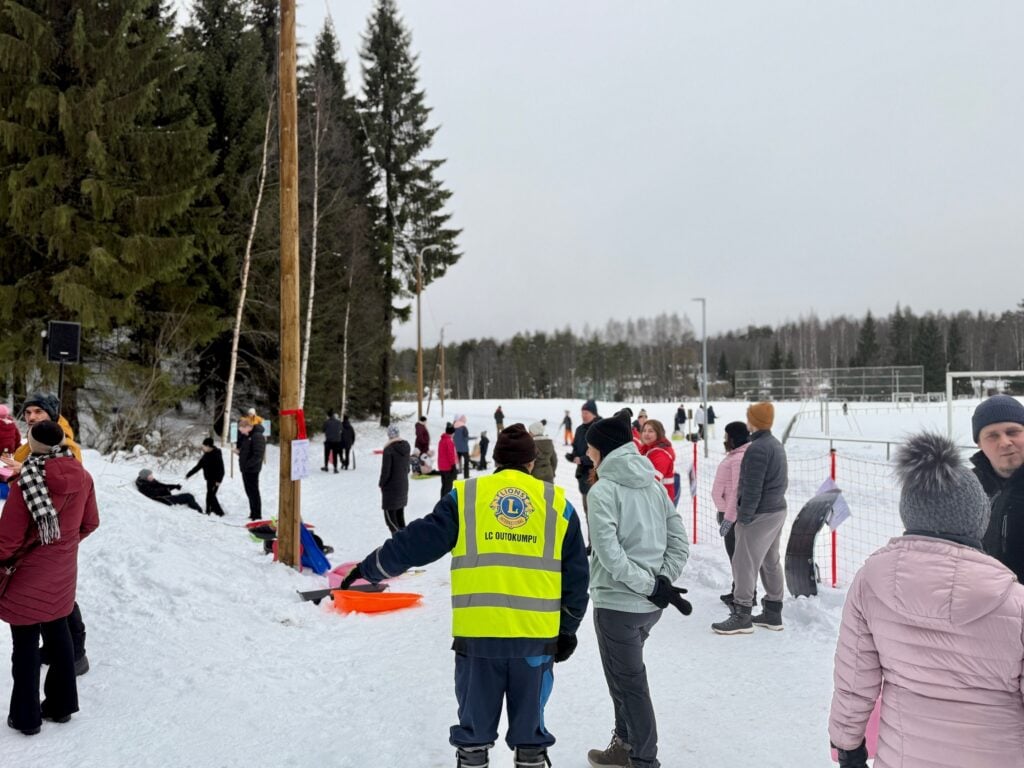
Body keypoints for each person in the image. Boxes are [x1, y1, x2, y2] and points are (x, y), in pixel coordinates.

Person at [340, 424, 589, 768]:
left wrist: (370, 568)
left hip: (478, 641)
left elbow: (416, 542)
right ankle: (530, 758)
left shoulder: (468, 497)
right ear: (532, 462)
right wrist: (568, 629)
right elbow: (577, 578)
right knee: (531, 737)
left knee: (473, 738)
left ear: (496, 461)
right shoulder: (558, 504)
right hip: (535, 642)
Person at [829, 432, 1024, 768]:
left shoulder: (871, 580)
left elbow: (854, 676)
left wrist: (847, 745)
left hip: (903, 756)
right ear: (979, 518)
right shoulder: (1014, 600)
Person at [584, 411, 690, 768]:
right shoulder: (653, 484)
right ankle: (624, 745)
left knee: (629, 684)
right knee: (621, 679)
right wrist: (660, 583)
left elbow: (609, 553)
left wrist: (653, 584)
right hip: (647, 606)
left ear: (605, 449)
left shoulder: (602, 491)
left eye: (591, 447)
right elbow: (679, 541)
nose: (587, 454)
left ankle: (644, 760)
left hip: (618, 606)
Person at [0, 421, 99, 735]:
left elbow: (8, 541)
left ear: (31, 444)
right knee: (59, 636)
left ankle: (26, 719)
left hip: (28, 575)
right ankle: (61, 706)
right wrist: (62, 547)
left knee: (26, 645)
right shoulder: (83, 476)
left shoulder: (25, 482)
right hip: (62, 572)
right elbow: (90, 523)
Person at [1, 393, 88, 675]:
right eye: (28, 413)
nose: (31, 417)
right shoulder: (33, 442)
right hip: (45, 540)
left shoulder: (65, 443)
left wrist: (60, 542)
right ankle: (61, 654)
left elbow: (62, 482)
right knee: (54, 600)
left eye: (38, 411)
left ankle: (77, 653)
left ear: (51, 414)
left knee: (60, 602)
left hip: (51, 541)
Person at [712, 402, 788, 635]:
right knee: (769, 560)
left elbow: (752, 487)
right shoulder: (775, 444)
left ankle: (742, 613)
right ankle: (773, 612)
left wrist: (743, 517)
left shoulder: (757, 448)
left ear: (754, 420)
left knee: (744, 561)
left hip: (759, 513)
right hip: (776, 510)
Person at [969, 394, 1024, 581]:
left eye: (1013, 432)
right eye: (993, 436)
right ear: (979, 443)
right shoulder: (965, 488)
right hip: (983, 600)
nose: (1005, 442)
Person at [711, 422, 751, 606]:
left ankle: (744, 594)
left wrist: (728, 518)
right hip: (726, 511)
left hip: (731, 515)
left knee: (737, 556)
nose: (725, 440)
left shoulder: (738, 459)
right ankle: (738, 589)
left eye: (727, 436)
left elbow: (737, 490)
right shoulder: (735, 455)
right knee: (734, 556)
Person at [567, 399, 599, 517]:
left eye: (586, 413)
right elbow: (575, 447)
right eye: (582, 413)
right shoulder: (580, 429)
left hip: (596, 474)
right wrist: (573, 456)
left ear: (594, 413)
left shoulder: (599, 428)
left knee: (597, 512)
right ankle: (591, 535)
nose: (583, 415)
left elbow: (600, 452)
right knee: (588, 510)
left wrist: (583, 459)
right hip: (583, 475)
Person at [379, 425, 411, 535]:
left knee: (390, 520)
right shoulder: (406, 447)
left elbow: (386, 471)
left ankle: (399, 543)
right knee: (400, 516)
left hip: (391, 489)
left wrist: (381, 483)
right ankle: (406, 540)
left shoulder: (389, 450)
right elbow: (407, 469)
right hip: (403, 486)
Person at [185, 437, 225, 516]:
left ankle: (216, 512)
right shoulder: (206, 455)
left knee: (210, 496)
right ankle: (211, 510)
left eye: (204, 446)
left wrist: (218, 481)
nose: (202, 448)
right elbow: (199, 466)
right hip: (209, 478)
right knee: (210, 495)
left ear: (208, 446)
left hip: (215, 479)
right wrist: (189, 474)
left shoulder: (216, 455)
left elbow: (221, 470)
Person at [638, 419, 676, 500]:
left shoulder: (661, 454)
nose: (646, 434)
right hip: (652, 498)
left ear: (658, 433)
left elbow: (652, 480)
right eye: (644, 431)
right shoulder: (645, 449)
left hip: (661, 500)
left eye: (651, 431)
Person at [236, 417, 265, 521]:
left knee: (253, 492)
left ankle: (257, 514)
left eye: (241, 428)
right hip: (245, 469)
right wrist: (239, 452)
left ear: (248, 427)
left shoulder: (257, 436)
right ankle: (253, 513)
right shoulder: (247, 436)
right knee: (249, 491)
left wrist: (247, 465)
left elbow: (258, 455)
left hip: (252, 469)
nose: (240, 430)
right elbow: (246, 451)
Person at [136, 469, 204, 513]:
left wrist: (174, 486)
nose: (152, 477)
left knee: (188, 496)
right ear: (145, 477)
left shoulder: (150, 481)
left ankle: (196, 508)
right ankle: (199, 511)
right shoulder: (143, 485)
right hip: (165, 499)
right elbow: (153, 492)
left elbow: (163, 485)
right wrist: (164, 489)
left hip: (166, 496)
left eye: (151, 475)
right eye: (150, 475)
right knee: (188, 496)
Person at [437, 423, 458, 499]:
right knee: (448, 486)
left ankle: (442, 500)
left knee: (444, 485)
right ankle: (445, 502)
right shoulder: (449, 441)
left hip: (442, 467)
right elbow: (451, 455)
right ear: (452, 433)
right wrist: (453, 466)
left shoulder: (441, 440)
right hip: (448, 467)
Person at [453, 414, 471, 479]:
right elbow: (466, 438)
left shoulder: (454, 426)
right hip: (464, 449)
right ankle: (466, 475)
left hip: (457, 448)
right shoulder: (464, 427)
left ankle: (454, 476)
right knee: (466, 462)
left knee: (456, 462)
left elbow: (453, 437)